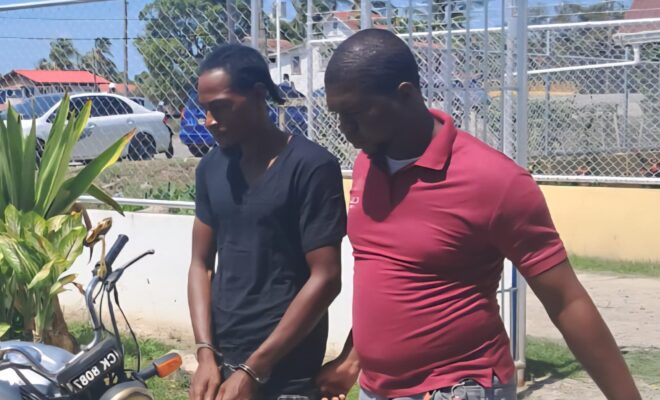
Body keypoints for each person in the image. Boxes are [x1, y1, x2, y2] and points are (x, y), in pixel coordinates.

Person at [315, 29, 641, 400]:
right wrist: (352, 360)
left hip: (456, 387)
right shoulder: (367, 165)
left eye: (355, 114)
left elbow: (567, 301)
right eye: (338, 115)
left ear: (405, 95)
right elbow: (389, 274)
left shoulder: (494, 180)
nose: (344, 129)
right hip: (377, 389)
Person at [188, 44, 346, 400]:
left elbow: (326, 278)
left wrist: (254, 368)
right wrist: (205, 354)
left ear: (258, 95)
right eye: (205, 109)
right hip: (223, 359)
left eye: (220, 107)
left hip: (288, 369)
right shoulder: (210, 168)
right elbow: (201, 264)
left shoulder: (312, 167)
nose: (209, 120)